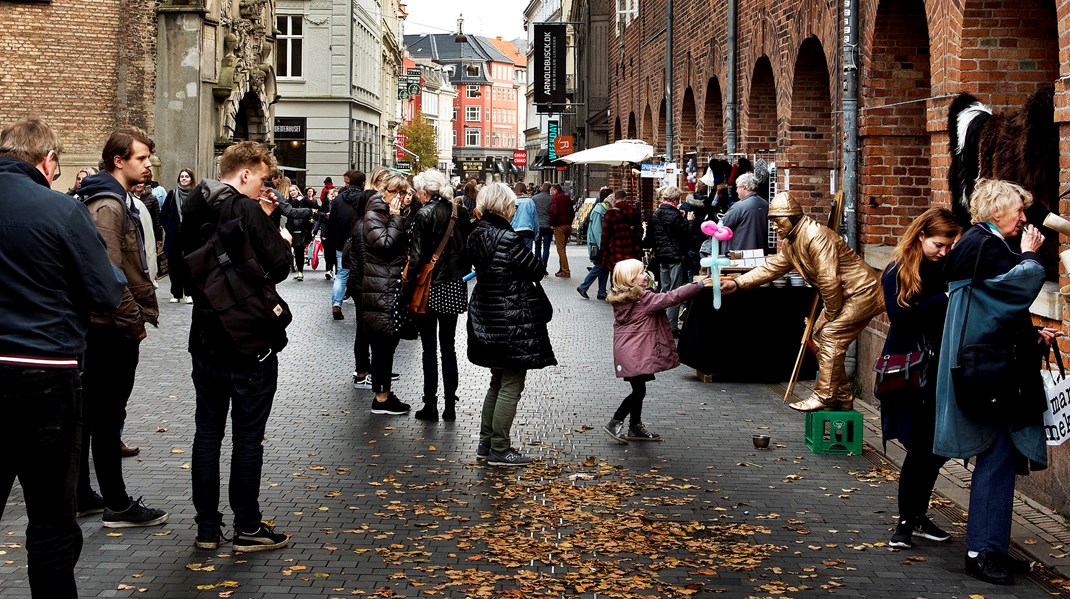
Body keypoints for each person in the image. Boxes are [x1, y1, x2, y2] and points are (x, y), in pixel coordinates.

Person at [0, 117, 123, 598]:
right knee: (52, 519)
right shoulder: (61, 211)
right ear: (47, 161)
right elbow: (106, 290)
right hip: (46, 375)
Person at [934, 179, 1059, 585]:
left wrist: (1031, 336)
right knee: (997, 458)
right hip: (989, 374)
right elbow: (1016, 288)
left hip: (986, 368)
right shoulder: (985, 245)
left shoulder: (977, 244)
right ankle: (982, 552)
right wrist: (1029, 256)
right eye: (1018, 210)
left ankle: (993, 548)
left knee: (1000, 459)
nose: (1024, 218)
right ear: (995, 211)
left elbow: (991, 311)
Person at [180, 140, 293, 553]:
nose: (265, 186)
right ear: (245, 173)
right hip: (249, 341)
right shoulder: (245, 209)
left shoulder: (192, 204)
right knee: (248, 438)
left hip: (205, 336)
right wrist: (275, 229)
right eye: (263, 178)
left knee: (207, 434)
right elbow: (277, 268)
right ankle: (247, 526)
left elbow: (180, 270)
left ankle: (207, 528)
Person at [75, 127, 167, 528]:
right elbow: (106, 272)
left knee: (94, 414)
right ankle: (116, 504)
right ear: (119, 160)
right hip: (108, 326)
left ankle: (82, 495)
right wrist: (133, 320)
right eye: (142, 158)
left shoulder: (118, 200)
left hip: (107, 324)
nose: (148, 165)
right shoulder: (108, 205)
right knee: (107, 416)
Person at [721, 191, 884, 412]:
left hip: (862, 292)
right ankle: (842, 396)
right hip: (842, 295)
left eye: (779, 222)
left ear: (793, 217)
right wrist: (739, 283)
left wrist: (832, 315)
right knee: (818, 337)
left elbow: (828, 279)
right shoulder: (791, 242)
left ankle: (824, 395)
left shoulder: (816, 236)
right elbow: (772, 268)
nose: (776, 228)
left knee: (830, 336)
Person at [880, 207, 960, 550]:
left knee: (934, 450)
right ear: (921, 235)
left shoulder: (947, 267)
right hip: (910, 372)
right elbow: (902, 321)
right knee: (919, 448)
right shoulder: (898, 272)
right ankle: (904, 522)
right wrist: (943, 298)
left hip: (940, 368)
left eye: (949, 245)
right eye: (938, 244)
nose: (943, 252)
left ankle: (917, 516)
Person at [466, 182, 557, 466]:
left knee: (497, 381)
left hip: (487, 315)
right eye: (512, 205)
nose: (514, 208)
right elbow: (537, 270)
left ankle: (486, 442)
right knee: (511, 384)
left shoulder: (477, 234)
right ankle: (500, 448)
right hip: (511, 318)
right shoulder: (508, 238)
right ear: (504, 207)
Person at [604, 259, 709, 443]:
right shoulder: (643, 299)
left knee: (639, 389)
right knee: (638, 392)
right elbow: (671, 297)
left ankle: (635, 425)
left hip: (630, 353)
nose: (646, 275)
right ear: (630, 279)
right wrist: (697, 285)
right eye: (641, 273)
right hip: (636, 354)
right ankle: (616, 421)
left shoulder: (625, 298)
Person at [410, 168, 474, 422]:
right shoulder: (461, 212)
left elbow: (416, 257)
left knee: (428, 348)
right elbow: (467, 247)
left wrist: (408, 287)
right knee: (448, 347)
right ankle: (450, 405)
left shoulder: (423, 214)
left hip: (428, 286)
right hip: (454, 284)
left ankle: (430, 404)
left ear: (425, 192)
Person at [353, 171, 412, 415]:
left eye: (402, 192)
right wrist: (397, 219)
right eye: (394, 192)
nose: (399, 197)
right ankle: (381, 397)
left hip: (387, 285)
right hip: (381, 287)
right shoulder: (375, 214)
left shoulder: (385, 213)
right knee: (383, 343)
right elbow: (385, 245)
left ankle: (383, 393)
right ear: (383, 191)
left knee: (387, 342)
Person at [643, 185, 690, 336]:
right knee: (675, 292)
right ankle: (671, 326)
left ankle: (660, 323)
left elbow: (649, 238)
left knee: (664, 290)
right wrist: (688, 221)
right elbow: (685, 234)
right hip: (676, 257)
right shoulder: (676, 215)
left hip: (661, 257)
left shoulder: (655, 214)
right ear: (675, 199)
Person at [329, 169, 365, 320]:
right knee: (361, 273)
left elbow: (332, 222)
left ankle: (336, 304)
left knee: (341, 274)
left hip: (341, 242)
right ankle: (362, 305)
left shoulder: (339, 199)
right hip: (359, 241)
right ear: (363, 183)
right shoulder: (365, 199)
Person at [162, 168, 196, 304]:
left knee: (189, 264)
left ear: (191, 179)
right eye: (182, 176)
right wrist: (169, 228)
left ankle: (189, 293)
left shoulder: (195, 195)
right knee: (174, 265)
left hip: (190, 236)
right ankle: (176, 293)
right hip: (174, 236)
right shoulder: (172, 194)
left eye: (186, 177)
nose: (184, 179)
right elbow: (163, 214)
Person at [577, 188, 614, 300]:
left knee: (604, 267)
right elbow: (597, 230)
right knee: (599, 266)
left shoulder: (602, 210)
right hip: (597, 245)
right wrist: (602, 246)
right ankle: (583, 286)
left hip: (600, 244)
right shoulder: (599, 211)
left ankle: (601, 291)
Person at [719, 172, 769, 254]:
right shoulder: (765, 204)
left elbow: (722, 226)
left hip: (740, 254)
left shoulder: (739, 207)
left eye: (738, 187)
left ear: (744, 187)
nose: (736, 190)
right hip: (760, 253)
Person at [600, 190, 644, 276]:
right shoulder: (634, 212)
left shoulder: (610, 214)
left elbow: (605, 235)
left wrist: (603, 252)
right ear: (625, 199)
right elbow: (639, 232)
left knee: (617, 278)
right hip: (632, 252)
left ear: (615, 199)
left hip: (616, 251)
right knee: (632, 278)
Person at [285, 185, 318, 280]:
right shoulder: (288, 202)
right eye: (290, 191)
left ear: (297, 191)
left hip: (303, 229)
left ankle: (300, 271)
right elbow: (290, 208)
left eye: (294, 190)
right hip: (292, 229)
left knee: (300, 250)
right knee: (295, 250)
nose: (292, 192)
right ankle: (297, 269)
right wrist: (298, 200)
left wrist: (312, 219)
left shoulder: (305, 200)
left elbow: (315, 210)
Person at [548, 183, 575, 277]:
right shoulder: (567, 198)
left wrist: (551, 223)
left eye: (551, 190)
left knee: (560, 249)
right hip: (568, 225)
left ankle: (565, 270)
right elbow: (572, 212)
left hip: (560, 225)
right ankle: (561, 269)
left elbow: (553, 212)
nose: (550, 192)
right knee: (563, 248)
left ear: (555, 190)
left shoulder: (555, 199)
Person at [532, 183, 553, 267]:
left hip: (538, 225)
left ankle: (538, 265)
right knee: (546, 247)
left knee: (537, 245)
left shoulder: (534, 198)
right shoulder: (551, 199)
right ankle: (544, 265)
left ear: (542, 188)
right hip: (548, 225)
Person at [511, 181, 537, 250]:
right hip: (527, 230)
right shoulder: (530, 202)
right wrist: (536, 234)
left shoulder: (512, 201)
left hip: (514, 230)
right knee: (527, 254)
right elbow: (535, 219)